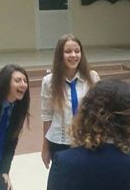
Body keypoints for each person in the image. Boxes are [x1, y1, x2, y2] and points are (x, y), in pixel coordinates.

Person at [40, 34, 100, 169]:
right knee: (63, 179)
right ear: (60, 55)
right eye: (68, 51)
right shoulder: (49, 81)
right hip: (59, 142)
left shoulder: (92, 77)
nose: (73, 55)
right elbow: (47, 115)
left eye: (77, 51)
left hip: (86, 140)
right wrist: (45, 147)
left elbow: (98, 112)